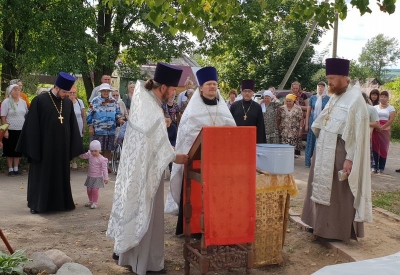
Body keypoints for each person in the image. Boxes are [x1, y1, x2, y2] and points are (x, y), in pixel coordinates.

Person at [106, 62, 189, 275]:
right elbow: (158, 146)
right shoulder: (151, 108)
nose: (173, 94)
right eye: (172, 89)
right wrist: (176, 156)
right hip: (147, 170)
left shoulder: (146, 102)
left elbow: (152, 141)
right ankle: (147, 263)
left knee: (137, 209)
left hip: (142, 167)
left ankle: (131, 256)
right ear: (163, 88)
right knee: (148, 214)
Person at [301, 58, 372, 243]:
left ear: (343, 76)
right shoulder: (335, 95)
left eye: (332, 78)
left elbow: (357, 134)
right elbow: (323, 118)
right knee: (317, 185)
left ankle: (335, 231)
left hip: (340, 151)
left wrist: (350, 158)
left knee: (338, 192)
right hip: (324, 147)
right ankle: (317, 224)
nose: (329, 82)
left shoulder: (355, 99)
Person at [164, 66, 236, 235]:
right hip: (197, 161)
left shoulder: (224, 110)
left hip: (220, 162)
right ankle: (194, 228)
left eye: (214, 84)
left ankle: (216, 224)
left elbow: (232, 131)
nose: (212, 87)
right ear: (201, 87)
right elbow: (187, 136)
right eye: (209, 84)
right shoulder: (192, 112)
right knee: (196, 194)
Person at [16, 72, 84, 214]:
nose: (67, 95)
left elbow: (72, 126)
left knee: (60, 176)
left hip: (62, 148)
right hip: (44, 148)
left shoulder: (67, 103)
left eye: (69, 92)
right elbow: (32, 127)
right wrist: (34, 149)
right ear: (57, 87)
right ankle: (38, 204)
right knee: (42, 176)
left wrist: (73, 147)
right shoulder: (40, 100)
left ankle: (61, 204)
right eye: (65, 92)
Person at [87, 83, 122, 170]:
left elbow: (117, 113)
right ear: (101, 91)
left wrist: (119, 119)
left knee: (108, 148)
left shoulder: (114, 101)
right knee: (98, 148)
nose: (106, 92)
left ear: (109, 91)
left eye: (107, 91)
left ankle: (105, 166)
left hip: (111, 129)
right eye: (104, 91)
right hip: (98, 129)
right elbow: (89, 114)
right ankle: (96, 166)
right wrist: (90, 126)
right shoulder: (95, 101)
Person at [1, 84, 28, 176]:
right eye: (15, 90)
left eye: (18, 90)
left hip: (20, 129)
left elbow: (25, 114)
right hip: (10, 129)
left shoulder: (23, 102)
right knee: (9, 149)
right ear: (10, 91)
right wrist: (5, 130)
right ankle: (10, 169)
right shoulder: (6, 102)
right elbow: (3, 116)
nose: (17, 92)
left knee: (18, 150)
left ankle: (16, 168)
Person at [304, 81, 330, 167]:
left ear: (325, 88)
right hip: (313, 121)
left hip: (322, 123)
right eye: (319, 86)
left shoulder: (328, 99)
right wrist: (307, 124)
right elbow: (308, 112)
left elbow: (329, 112)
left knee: (320, 141)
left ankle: (318, 163)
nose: (320, 88)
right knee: (311, 141)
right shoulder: (313, 98)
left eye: (322, 86)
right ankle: (308, 162)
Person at [371, 90, 396, 174]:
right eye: (381, 96)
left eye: (385, 97)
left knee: (384, 148)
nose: (383, 98)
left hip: (385, 130)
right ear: (379, 97)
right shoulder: (375, 107)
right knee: (374, 147)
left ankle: (381, 167)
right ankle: (374, 166)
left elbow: (391, 119)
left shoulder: (391, 108)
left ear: (388, 98)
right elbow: (373, 118)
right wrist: (377, 127)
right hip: (376, 128)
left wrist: (383, 127)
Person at [79, 140, 109, 209]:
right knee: (89, 190)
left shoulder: (102, 159)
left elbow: (104, 169)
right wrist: (78, 152)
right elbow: (83, 156)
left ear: (99, 150)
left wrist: (106, 178)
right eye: (92, 151)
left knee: (95, 190)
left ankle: (95, 202)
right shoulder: (90, 154)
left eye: (95, 151)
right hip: (90, 176)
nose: (93, 153)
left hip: (98, 177)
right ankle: (91, 201)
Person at [69, 85, 86, 170]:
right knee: (68, 143)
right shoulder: (65, 102)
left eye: (74, 92)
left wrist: (84, 127)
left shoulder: (80, 102)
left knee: (76, 143)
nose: (72, 94)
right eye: (70, 92)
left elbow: (83, 115)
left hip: (78, 126)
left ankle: (74, 162)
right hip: (68, 126)